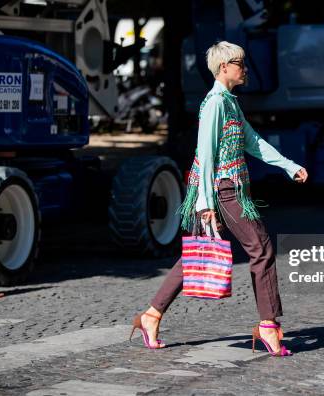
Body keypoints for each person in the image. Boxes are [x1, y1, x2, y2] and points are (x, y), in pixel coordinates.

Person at [130, 41, 308, 357]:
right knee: (261, 248)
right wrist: (206, 205)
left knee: (195, 257)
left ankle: (151, 315)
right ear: (224, 66)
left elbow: (253, 142)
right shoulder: (215, 102)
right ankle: (268, 324)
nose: (246, 68)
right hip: (223, 189)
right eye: (240, 62)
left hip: (229, 187)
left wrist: (288, 166)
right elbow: (207, 154)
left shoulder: (230, 102)